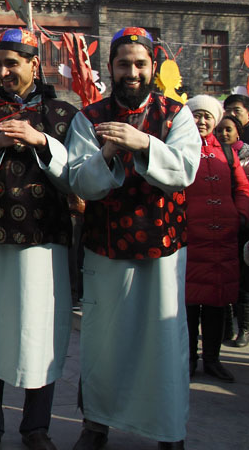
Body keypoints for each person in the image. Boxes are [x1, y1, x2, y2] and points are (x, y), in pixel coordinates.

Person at [68, 27, 200, 450]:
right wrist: (106, 153)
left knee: (162, 341)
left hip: (162, 249)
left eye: (140, 64)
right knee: (104, 341)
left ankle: (167, 430)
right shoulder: (88, 117)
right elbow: (81, 182)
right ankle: (97, 423)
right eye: (123, 63)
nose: (132, 72)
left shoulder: (176, 114)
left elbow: (184, 171)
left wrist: (143, 142)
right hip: (107, 248)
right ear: (110, 67)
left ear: (153, 67)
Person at [0, 28, 76, 450]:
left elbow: (79, 173)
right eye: (0, 64)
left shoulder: (64, 114)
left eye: (13, 63)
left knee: (39, 332)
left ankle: (35, 427)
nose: (4, 71)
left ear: (34, 65)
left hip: (46, 239)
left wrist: (43, 141)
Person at [183, 95, 249, 383]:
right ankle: (188, 359)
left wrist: (240, 216)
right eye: (196, 115)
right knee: (187, 306)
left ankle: (212, 359)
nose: (202, 121)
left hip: (223, 238)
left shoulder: (228, 152)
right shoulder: (180, 148)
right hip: (190, 239)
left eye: (207, 116)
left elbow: (243, 188)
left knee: (216, 303)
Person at [218, 108, 249, 348]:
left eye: (228, 129)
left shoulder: (243, 155)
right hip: (217, 225)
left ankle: (244, 329)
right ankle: (225, 328)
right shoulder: (212, 153)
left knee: (243, 281)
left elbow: (242, 189)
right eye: (221, 130)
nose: (224, 133)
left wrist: (240, 216)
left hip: (240, 223)